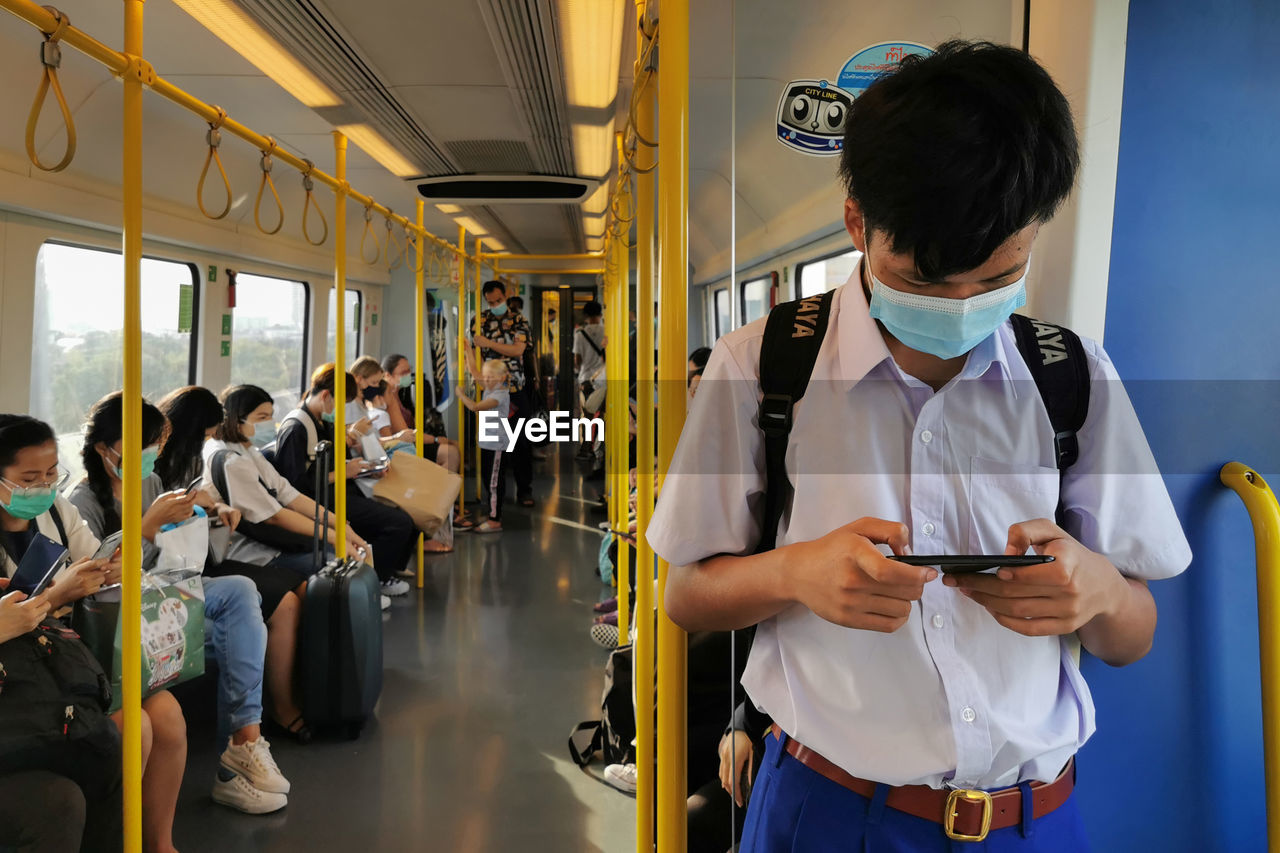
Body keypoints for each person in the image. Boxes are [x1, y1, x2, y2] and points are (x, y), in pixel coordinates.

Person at [650, 40, 1191, 851]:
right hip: (827, 810)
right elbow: (685, 594)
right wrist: (797, 572)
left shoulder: (1069, 376)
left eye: (996, 275)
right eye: (928, 280)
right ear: (857, 223)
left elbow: (1136, 628)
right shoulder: (760, 369)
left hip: (1034, 820)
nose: (964, 303)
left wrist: (1101, 594)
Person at [67, 392, 292, 814]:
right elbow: (97, 579)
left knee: (241, 589)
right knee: (234, 625)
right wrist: (147, 527)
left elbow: (158, 560)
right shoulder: (83, 502)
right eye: (144, 444)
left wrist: (192, 516)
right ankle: (230, 776)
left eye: (156, 444)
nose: (153, 454)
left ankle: (245, 740)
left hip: (156, 593)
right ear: (103, 447)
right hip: (118, 617)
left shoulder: (149, 482)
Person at [0, 414, 186, 852]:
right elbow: (17, 619)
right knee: (128, 728)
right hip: (22, 680)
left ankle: (156, 842)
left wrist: (111, 569)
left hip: (66, 659)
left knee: (166, 713)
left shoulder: (58, 512)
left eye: (50, 473)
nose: (42, 486)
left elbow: (91, 559)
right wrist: (59, 593)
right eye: (29, 478)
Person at [154, 385, 311, 743]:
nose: (206, 442)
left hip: (196, 556)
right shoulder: (155, 470)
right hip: (176, 567)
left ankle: (282, 699)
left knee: (294, 592)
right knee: (283, 602)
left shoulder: (194, 459)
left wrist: (214, 507)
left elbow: (197, 495)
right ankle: (278, 712)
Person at [203, 385, 371, 590]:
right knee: (331, 559)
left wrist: (340, 525)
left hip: (268, 538)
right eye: (261, 417)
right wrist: (334, 535)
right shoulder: (230, 460)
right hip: (245, 548)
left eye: (270, 417)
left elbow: (289, 494)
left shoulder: (247, 450)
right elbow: (275, 515)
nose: (269, 424)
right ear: (237, 420)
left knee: (339, 549)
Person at [272, 364, 415, 597]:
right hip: (320, 499)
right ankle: (373, 581)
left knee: (404, 509)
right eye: (340, 403)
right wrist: (341, 474)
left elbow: (338, 463)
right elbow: (294, 486)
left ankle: (383, 570)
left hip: (340, 489)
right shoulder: (297, 428)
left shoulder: (322, 422)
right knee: (398, 523)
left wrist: (364, 469)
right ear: (326, 395)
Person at [471, 280, 535, 506]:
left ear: (506, 296)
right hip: (491, 391)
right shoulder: (479, 321)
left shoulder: (519, 320)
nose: (495, 305)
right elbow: (475, 352)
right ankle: (493, 494)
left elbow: (518, 349)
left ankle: (524, 490)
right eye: (490, 302)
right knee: (491, 445)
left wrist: (487, 343)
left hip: (514, 389)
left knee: (519, 443)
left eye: (498, 300)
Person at [456, 357, 510, 534]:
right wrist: (468, 350)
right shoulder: (489, 387)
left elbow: (475, 406)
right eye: (486, 376)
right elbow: (474, 371)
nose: (486, 380)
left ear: (502, 378)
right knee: (488, 479)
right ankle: (493, 513)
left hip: (497, 445)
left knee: (494, 482)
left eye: (491, 377)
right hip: (488, 443)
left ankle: (495, 520)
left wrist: (461, 394)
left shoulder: (499, 395)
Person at [574, 300, 606, 409]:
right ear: (601, 315)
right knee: (602, 412)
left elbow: (577, 359)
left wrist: (578, 370)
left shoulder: (580, 334)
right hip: (604, 378)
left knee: (587, 411)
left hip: (586, 379)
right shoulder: (607, 331)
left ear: (586, 315)